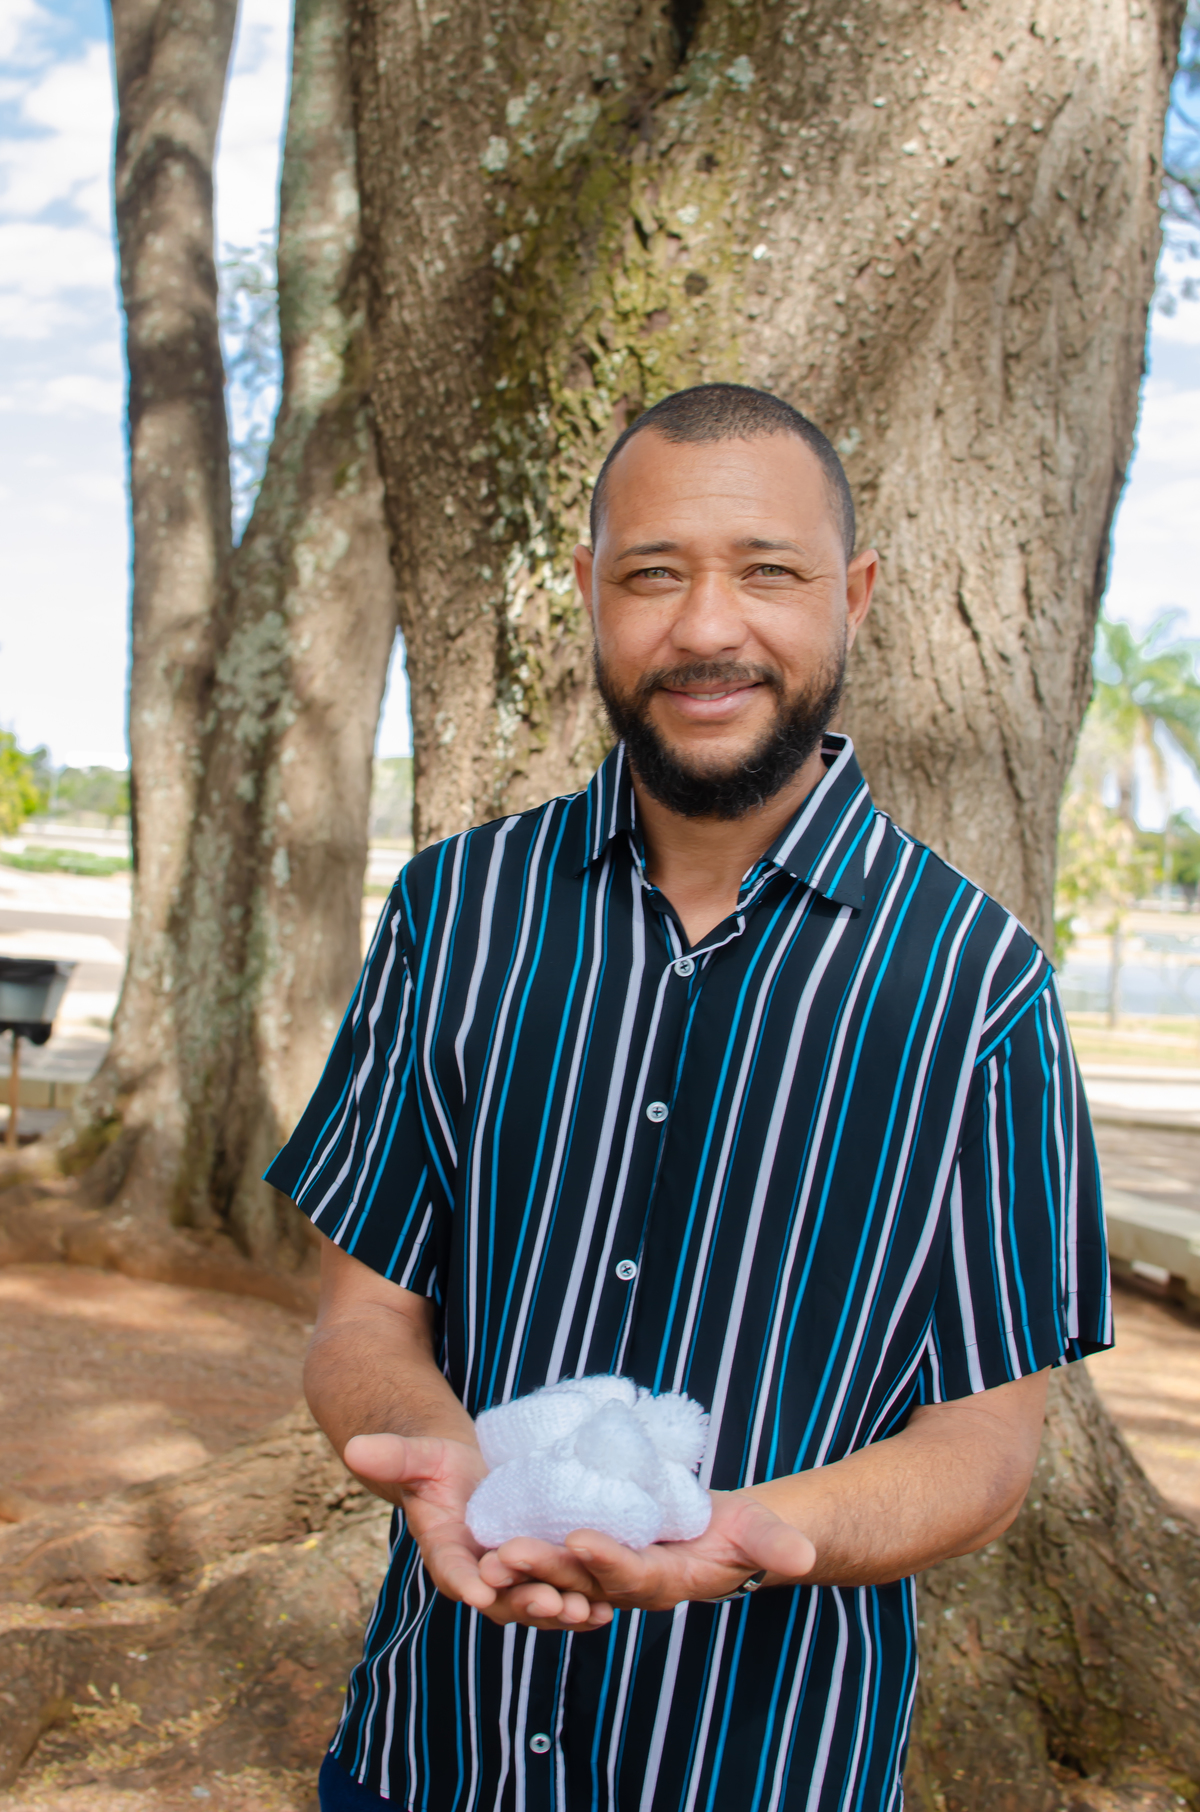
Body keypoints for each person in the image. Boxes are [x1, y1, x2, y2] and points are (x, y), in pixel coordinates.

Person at [267, 383, 1110, 1812]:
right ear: (592, 594)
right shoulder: (454, 915)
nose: (709, 628)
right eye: (654, 574)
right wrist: (436, 1458)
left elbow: (985, 1444)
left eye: (767, 573)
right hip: (425, 1752)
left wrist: (751, 1532)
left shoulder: (979, 986)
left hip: (768, 1768)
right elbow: (365, 1318)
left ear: (852, 596)